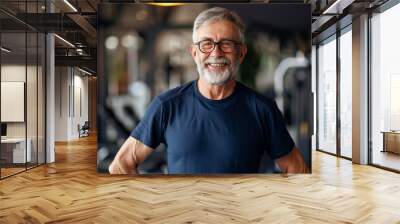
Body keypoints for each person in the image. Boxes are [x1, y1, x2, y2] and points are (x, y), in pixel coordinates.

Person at [109, 7, 309, 174]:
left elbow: (295, 168)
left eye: (227, 44)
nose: (216, 53)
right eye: (207, 44)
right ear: (194, 53)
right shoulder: (166, 106)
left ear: (241, 52)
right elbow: (120, 165)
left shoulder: (262, 109)